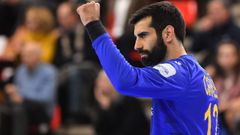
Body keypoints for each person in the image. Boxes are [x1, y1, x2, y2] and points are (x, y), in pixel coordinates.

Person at [77, 1, 218, 135]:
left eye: (143, 35)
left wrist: (93, 24)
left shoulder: (178, 72)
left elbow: (126, 80)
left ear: (168, 34)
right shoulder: (198, 73)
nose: (136, 46)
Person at [5, 43, 57, 135]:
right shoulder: (20, 70)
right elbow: (16, 92)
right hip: (21, 105)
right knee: (4, 110)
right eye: (23, 55)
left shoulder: (50, 71)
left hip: (41, 110)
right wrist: (12, 92)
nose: (25, 58)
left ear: (38, 56)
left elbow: (45, 98)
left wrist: (21, 96)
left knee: (19, 110)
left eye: (29, 54)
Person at [93, 70, 149, 135]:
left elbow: (127, 131)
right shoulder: (103, 100)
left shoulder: (130, 102)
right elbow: (99, 130)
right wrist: (104, 107)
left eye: (102, 80)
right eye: (98, 80)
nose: (98, 83)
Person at [206, 40, 240, 135]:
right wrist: (206, 75)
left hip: (231, 115)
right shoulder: (212, 73)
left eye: (229, 55)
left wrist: (228, 105)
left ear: (237, 56)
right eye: (222, 55)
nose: (226, 59)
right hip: (214, 115)